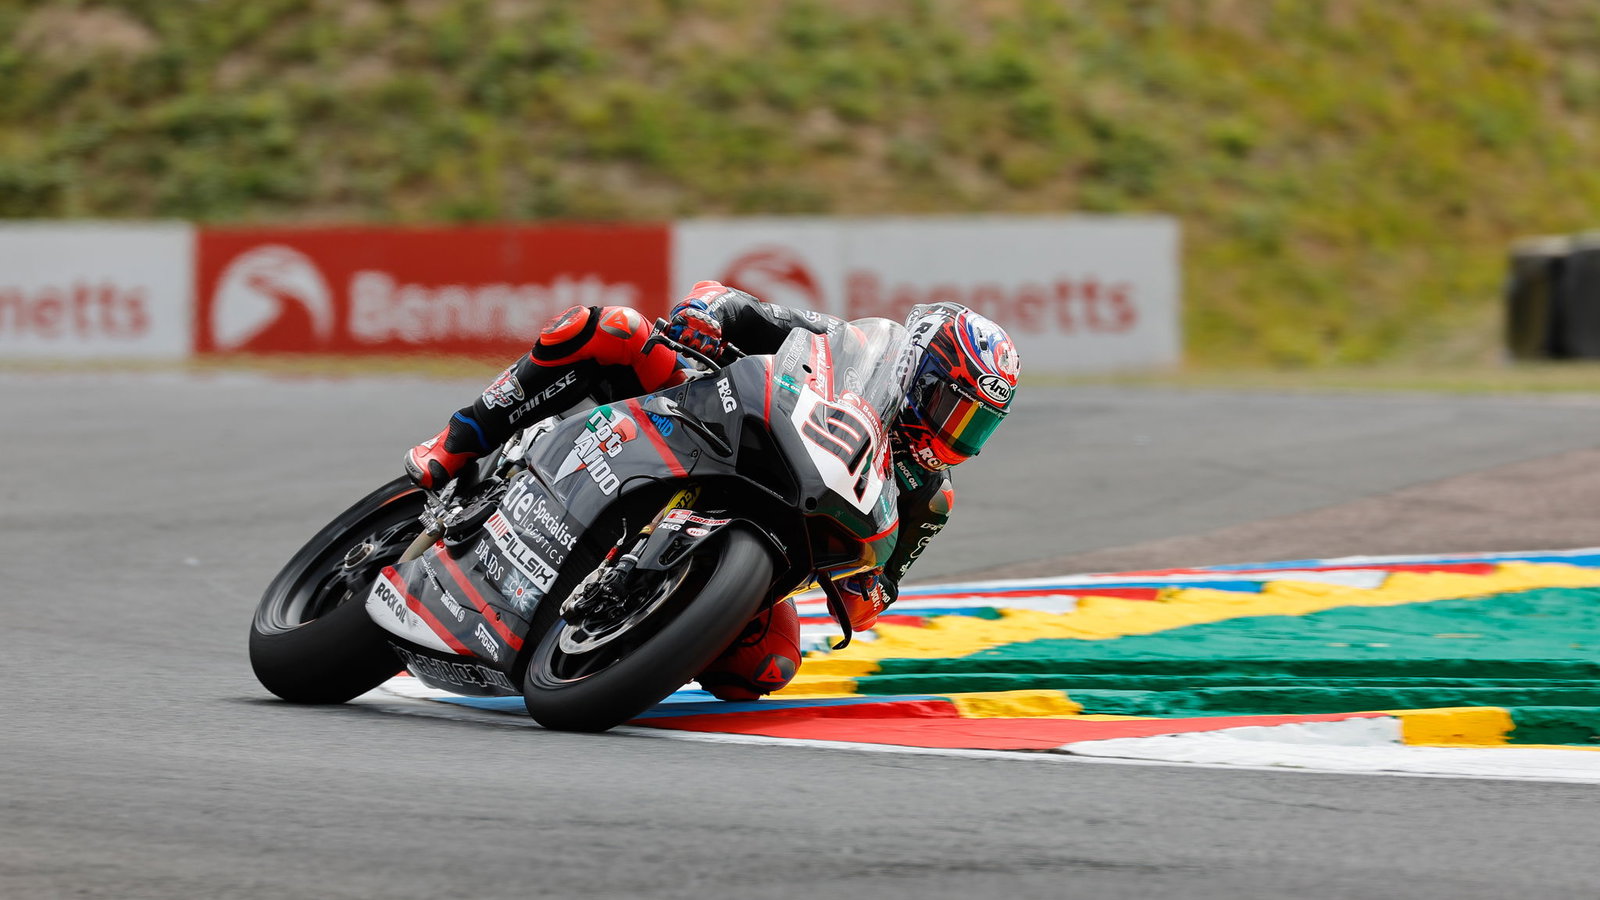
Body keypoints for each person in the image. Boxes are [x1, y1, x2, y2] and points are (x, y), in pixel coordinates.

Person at [404, 281, 1020, 700]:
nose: (951, 433)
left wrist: (861, 589)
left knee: (767, 664)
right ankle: (456, 442)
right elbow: (728, 302)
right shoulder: (845, 345)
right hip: (706, 419)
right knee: (610, 328)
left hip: (777, 527)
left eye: (975, 426)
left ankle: (631, 639)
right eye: (950, 406)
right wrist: (704, 319)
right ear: (919, 370)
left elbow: (881, 585)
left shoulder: (929, 498)